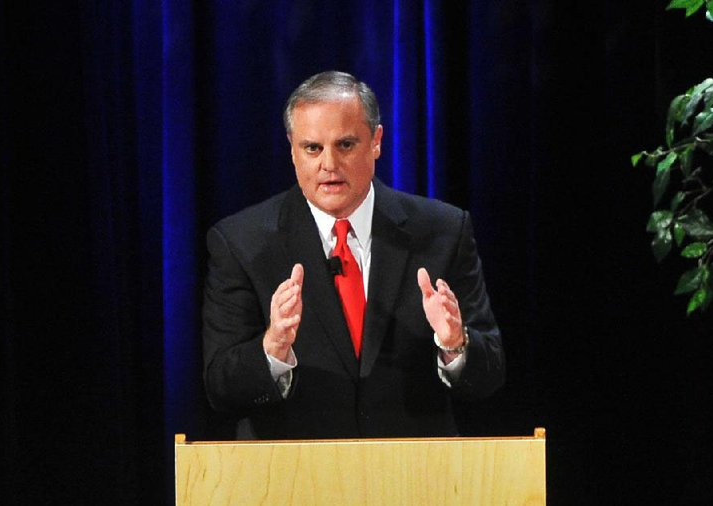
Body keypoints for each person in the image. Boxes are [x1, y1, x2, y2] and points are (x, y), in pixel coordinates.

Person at [202, 71, 505, 439]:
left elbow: (489, 375)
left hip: (414, 478)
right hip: (294, 480)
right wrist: (272, 350)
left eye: (345, 145)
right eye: (312, 148)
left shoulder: (442, 231)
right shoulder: (241, 242)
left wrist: (456, 344)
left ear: (376, 141)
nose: (328, 164)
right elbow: (220, 387)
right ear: (292, 149)